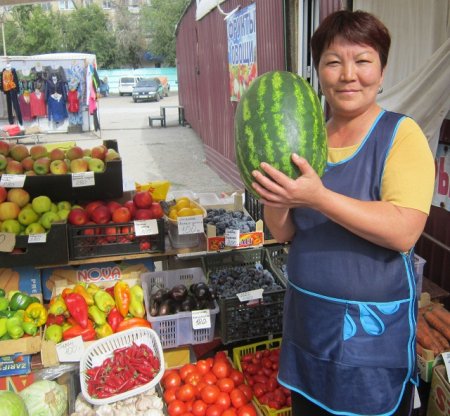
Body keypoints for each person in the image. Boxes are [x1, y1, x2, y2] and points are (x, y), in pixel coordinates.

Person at [251, 10, 435, 416]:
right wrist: (276, 195)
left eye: (363, 61)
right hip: (308, 327)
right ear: (319, 72)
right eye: (334, 62)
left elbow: (404, 231)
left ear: (382, 71)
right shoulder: (304, 132)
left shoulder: (400, 136)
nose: (348, 74)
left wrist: (318, 197)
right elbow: (283, 233)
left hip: (371, 337)